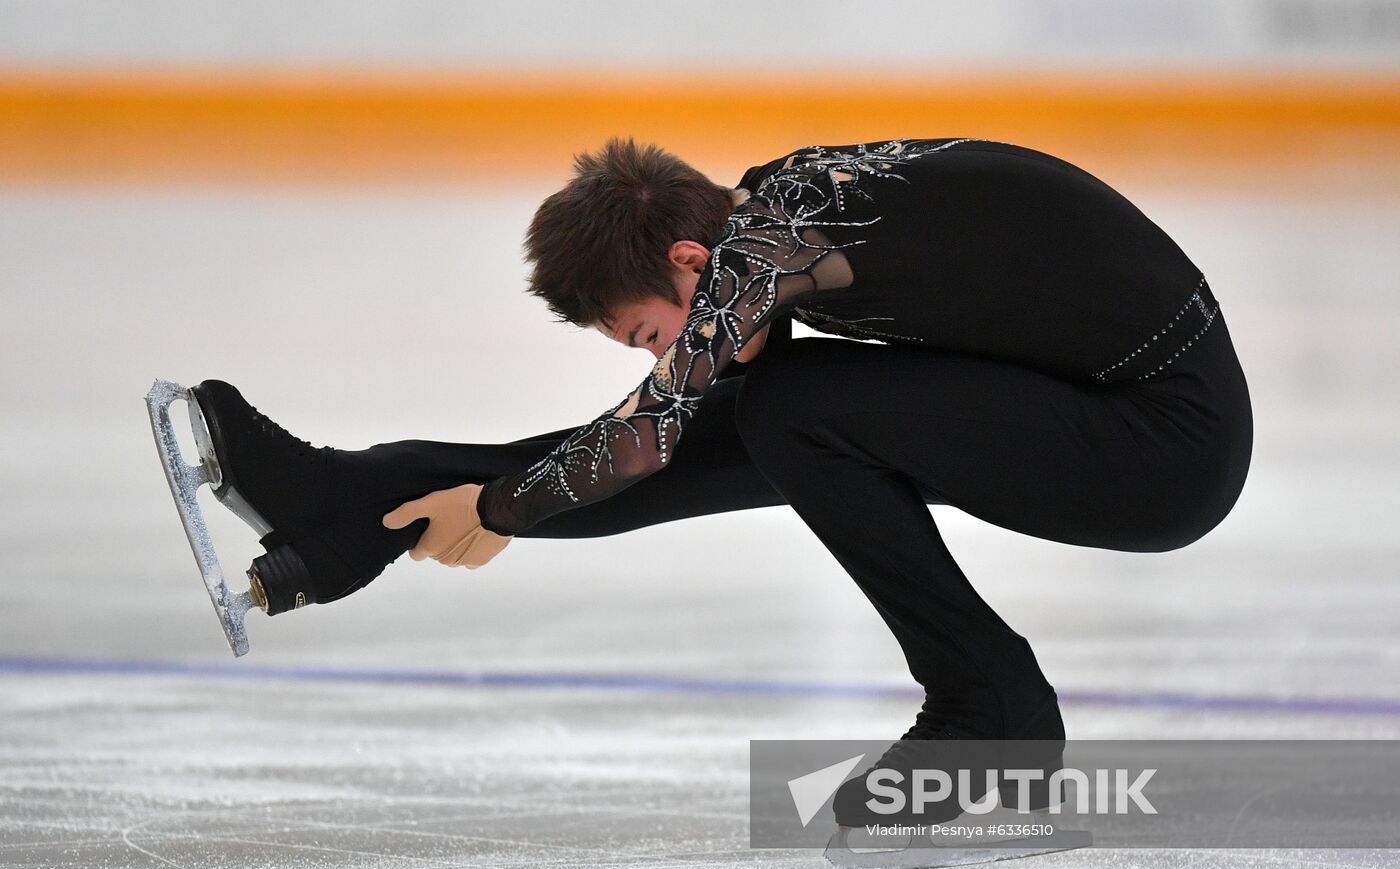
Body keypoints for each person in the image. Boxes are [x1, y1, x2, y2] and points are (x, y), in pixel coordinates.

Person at [187, 136, 1253, 766]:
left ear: (691, 262)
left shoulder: (764, 247)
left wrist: (504, 509)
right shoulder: (775, 213)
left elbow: (647, 439)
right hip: (1092, 405)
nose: (663, 358)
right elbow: (672, 417)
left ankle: (993, 706)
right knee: (769, 408)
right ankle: (347, 504)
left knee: (782, 411)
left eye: (652, 333)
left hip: (1159, 446)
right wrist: (463, 491)